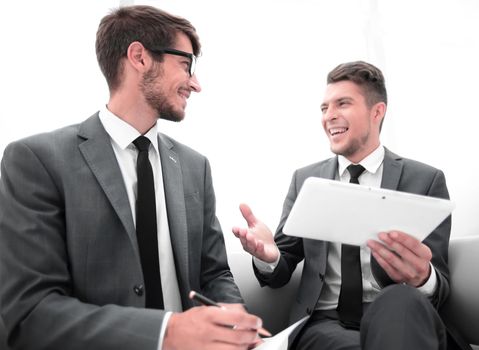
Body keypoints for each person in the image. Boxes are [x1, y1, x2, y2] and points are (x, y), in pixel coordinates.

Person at [0, 5, 263, 350]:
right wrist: (164, 332)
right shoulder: (36, 160)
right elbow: (30, 313)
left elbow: (214, 273)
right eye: (185, 64)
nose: (195, 84)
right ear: (139, 57)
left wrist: (233, 323)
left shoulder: (195, 167)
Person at [233, 61, 471, 350]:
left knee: (400, 301)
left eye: (342, 104)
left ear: (377, 111)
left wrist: (423, 278)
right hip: (326, 323)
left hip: (400, 313)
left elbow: (439, 283)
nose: (329, 116)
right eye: (324, 108)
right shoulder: (306, 179)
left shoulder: (425, 180)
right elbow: (281, 267)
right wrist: (267, 257)